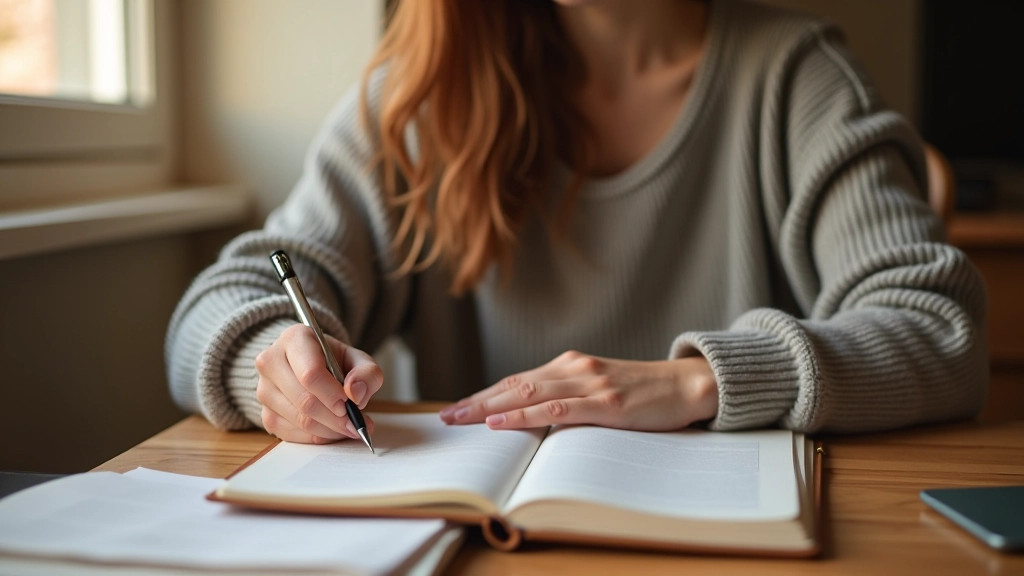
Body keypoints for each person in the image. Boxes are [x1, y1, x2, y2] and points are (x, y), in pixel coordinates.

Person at [166, 0, 987, 445]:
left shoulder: (800, 80)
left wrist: (697, 383)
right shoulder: (423, 98)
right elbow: (225, 300)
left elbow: (939, 329)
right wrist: (274, 365)